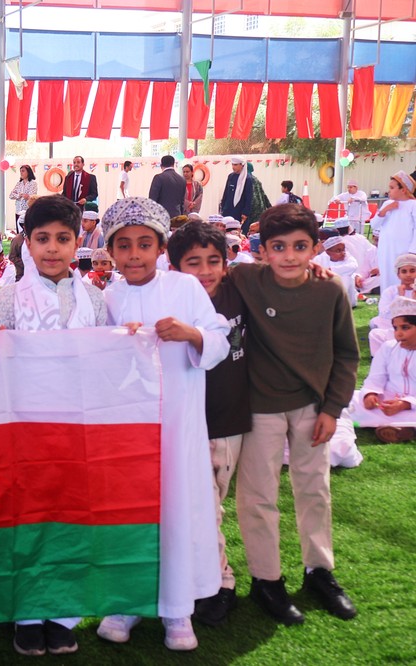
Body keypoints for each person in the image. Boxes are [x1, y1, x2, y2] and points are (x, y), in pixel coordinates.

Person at [96, 197, 229, 652]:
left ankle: (178, 609)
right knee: (130, 511)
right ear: (111, 251)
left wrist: (190, 333)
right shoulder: (108, 297)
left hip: (178, 422)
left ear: (160, 248)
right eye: (124, 246)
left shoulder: (185, 288)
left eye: (144, 244)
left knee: (177, 509)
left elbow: (218, 337)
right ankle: (126, 602)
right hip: (128, 427)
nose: (134, 255)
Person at [0, 195, 106, 657]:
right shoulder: (8, 297)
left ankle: (63, 615)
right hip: (24, 429)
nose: (52, 248)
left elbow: (110, 357)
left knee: (71, 521)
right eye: (42, 238)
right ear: (26, 243)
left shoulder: (95, 299)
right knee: (27, 522)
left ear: (76, 244)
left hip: (79, 429)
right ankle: (28, 614)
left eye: (63, 239)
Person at [228, 203, 359, 627]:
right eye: (278, 247)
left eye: (300, 247)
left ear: (315, 249)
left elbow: (347, 354)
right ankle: (267, 580)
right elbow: (205, 270)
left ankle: (319, 571)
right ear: (262, 250)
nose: (289, 256)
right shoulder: (245, 278)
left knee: (315, 489)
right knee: (258, 497)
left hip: (311, 407)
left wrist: (333, 409)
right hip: (259, 409)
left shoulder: (330, 288)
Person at [166, 221, 249, 628]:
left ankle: (218, 582)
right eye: (193, 262)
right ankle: (203, 580)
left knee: (210, 507)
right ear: (174, 267)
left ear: (226, 262)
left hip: (224, 419)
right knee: (191, 507)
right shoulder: (168, 299)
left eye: (213, 261)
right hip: (179, 424)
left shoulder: (239, 290)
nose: (205, 271)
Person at [350, 297, 416, 443]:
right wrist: (370, 394)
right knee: (348, 399)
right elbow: (375, 377)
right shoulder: (389, 347)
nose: (398, 333)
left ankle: (403, 428)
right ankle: (404, 428)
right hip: (388, 400)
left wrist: (406, 404)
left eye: (405, 327)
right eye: (395, 328)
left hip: (413, 406)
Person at [372, 171, 416, 295]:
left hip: (405, 251)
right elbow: (374, 224)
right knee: (386, 277)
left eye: (392, 188)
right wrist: (385, 210)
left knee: (404, 279)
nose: (389, 191)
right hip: (386, 250)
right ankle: (387, 303)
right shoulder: (387, 204)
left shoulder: (413, 205)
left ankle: (406, 304)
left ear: (403, 190)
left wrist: (412, 251)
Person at [368, 253, 416, 358]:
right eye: (404, 271)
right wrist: (399, 298)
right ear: (398, 274)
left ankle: (397, 349)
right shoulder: (390, 291)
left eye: (412, 271)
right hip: (395, 328)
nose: (408, 275)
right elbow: (384, 313)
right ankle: (384, 357)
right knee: (375, 331)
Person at [314, 236, 359, 307]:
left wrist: (331, 270)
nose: (343, 253)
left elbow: (354, 266)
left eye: (343, 250)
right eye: (338, 251)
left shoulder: (348, 257)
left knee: (345, 277)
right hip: (325, 290)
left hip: (347, 297)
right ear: (328, 252)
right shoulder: (319, 259)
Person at [220, 157, 253, 233]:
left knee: (237, 232)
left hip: (239, 211)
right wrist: (223, 206)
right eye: (232, 164)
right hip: (228, 209)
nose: (233, 167)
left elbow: (249, 197)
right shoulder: (231, 176)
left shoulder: (247, 179)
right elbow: (226, 193)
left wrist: (245, 212)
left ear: (242, 165)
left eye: (235, 165)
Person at [10, 165, 37, 232]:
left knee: (27, 230)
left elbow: (33, 196)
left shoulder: (33, 183)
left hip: (27, 211)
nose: (21, 173)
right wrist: (19, 195)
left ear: (28, 172)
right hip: (18, 211)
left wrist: (27, 196)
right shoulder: (19, 183)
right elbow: (11, 195)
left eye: (23, 171)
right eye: (20, 171)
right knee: (19, 230)